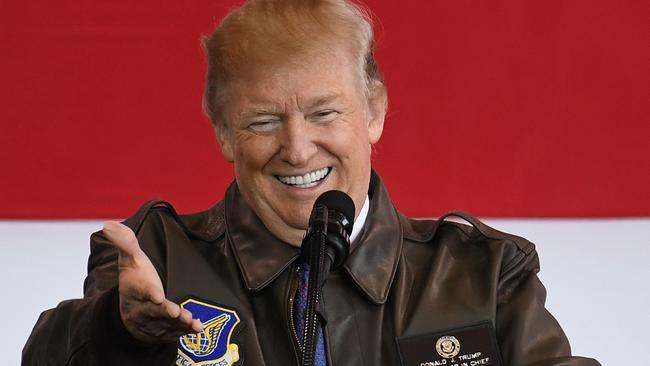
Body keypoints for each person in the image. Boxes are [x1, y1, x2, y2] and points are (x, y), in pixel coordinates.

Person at [24, 1, 600, 365]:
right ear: (224, 132)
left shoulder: (485, 274)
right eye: (263, 121)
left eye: (324, 113)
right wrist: (116, 332)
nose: (297, 148)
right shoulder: (156, 261)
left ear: (373, 112)